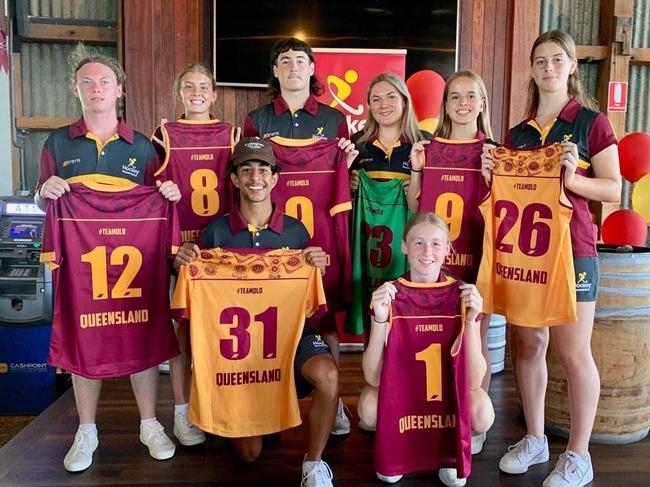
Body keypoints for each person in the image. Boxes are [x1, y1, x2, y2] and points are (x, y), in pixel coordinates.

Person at [481, 30, 621, 487]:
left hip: (574, 252)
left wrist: (572, 178)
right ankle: (537, 436)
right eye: (540, 61)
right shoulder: (518, 132)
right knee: (529, 345)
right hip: (526, 252)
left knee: (573, 351)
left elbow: (614, 190)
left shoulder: (591, 123)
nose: (548, 69)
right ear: (532, 68)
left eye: (557, 60)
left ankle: (579, 454)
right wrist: (490, 175)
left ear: (572, 66)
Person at [35, 46, 182, 472]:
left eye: (104, 81)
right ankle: (86, 430)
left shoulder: (143, 147)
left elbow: (159, 203)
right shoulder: (58, 141)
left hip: (136, 268)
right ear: (75, 89)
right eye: (87, 82)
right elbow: (43, 195)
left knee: (143, 337)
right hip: (84, 269)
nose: (96, 88)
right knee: (84, 339)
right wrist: (42, 192)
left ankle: (150, 423)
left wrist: (169, 194)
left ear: (119, 89)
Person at [174, 137, 338, 487]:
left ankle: (314, 462)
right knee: (249, 455)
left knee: (328, 375)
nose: (255, 178)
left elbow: (312, 305)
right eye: (246, 170)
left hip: (288, 334)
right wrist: (184, 260)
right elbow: (193, 303)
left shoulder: (296, 230)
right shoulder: (215, 231)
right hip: (237, 352)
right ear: (234, 179)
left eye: (263, 169)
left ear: (275, 178)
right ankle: (241, 408)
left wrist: (315, 264)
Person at [243, 37, 358, 435]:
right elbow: (247, 179)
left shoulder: (333, 120)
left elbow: (346, 182)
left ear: (312, 69)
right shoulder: (257, 120)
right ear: (275, 71)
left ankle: (336, 398)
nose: (293, 66)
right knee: (270, 314)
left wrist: (347, 160)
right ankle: (275, 396)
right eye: (285, 60)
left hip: (319, 236)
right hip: (272, 237)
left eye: (301, 60)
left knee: (325, 317)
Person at [358, 212, 494, 486]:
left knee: (482, 412)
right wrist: (381, 319)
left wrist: (470, 321)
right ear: (404, 247)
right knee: (368, 409)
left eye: (435, 243)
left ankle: (447, 453)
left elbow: (475, 379)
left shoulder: (463, 295)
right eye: (418, 243)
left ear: (447, 249)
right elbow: (372, 377)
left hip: (445, 398)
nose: (427, 251)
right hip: (404, 398)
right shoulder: (390, 294)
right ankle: (399, 448)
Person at [406, 70, 494, 453]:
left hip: (475, 257)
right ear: (445, 105)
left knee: (477, 336)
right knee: (432, 338)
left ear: (481, 103)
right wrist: (416, 171)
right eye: (454, 97)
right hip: (433, 262)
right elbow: (414, 207)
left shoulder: (492, 149)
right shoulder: (429, 147)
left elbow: (500, 212)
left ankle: (476, 419)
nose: (462, 104)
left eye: (470, 96)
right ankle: (431, 414)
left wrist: (494, 178)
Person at [152, 63, 239, 448]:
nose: (197, 92)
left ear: (215, 93)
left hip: (222, 249)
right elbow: (149, 191)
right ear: (179, 91)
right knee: (183, 334)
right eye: (189, 86)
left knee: (224, 332)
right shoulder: (163, 134)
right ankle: (182, 413)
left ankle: (222, 405)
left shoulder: (231, 133)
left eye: (204, 86)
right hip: (181, 251)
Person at [349, 71, 424, 191]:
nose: (383, 105)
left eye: (391, 97)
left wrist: (419, 188)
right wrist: (349, 186)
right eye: (376, 99)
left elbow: (436, 190)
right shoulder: (355, 142)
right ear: (370, 105)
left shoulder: (424, 142)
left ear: (404, 101)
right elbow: (340, 194)